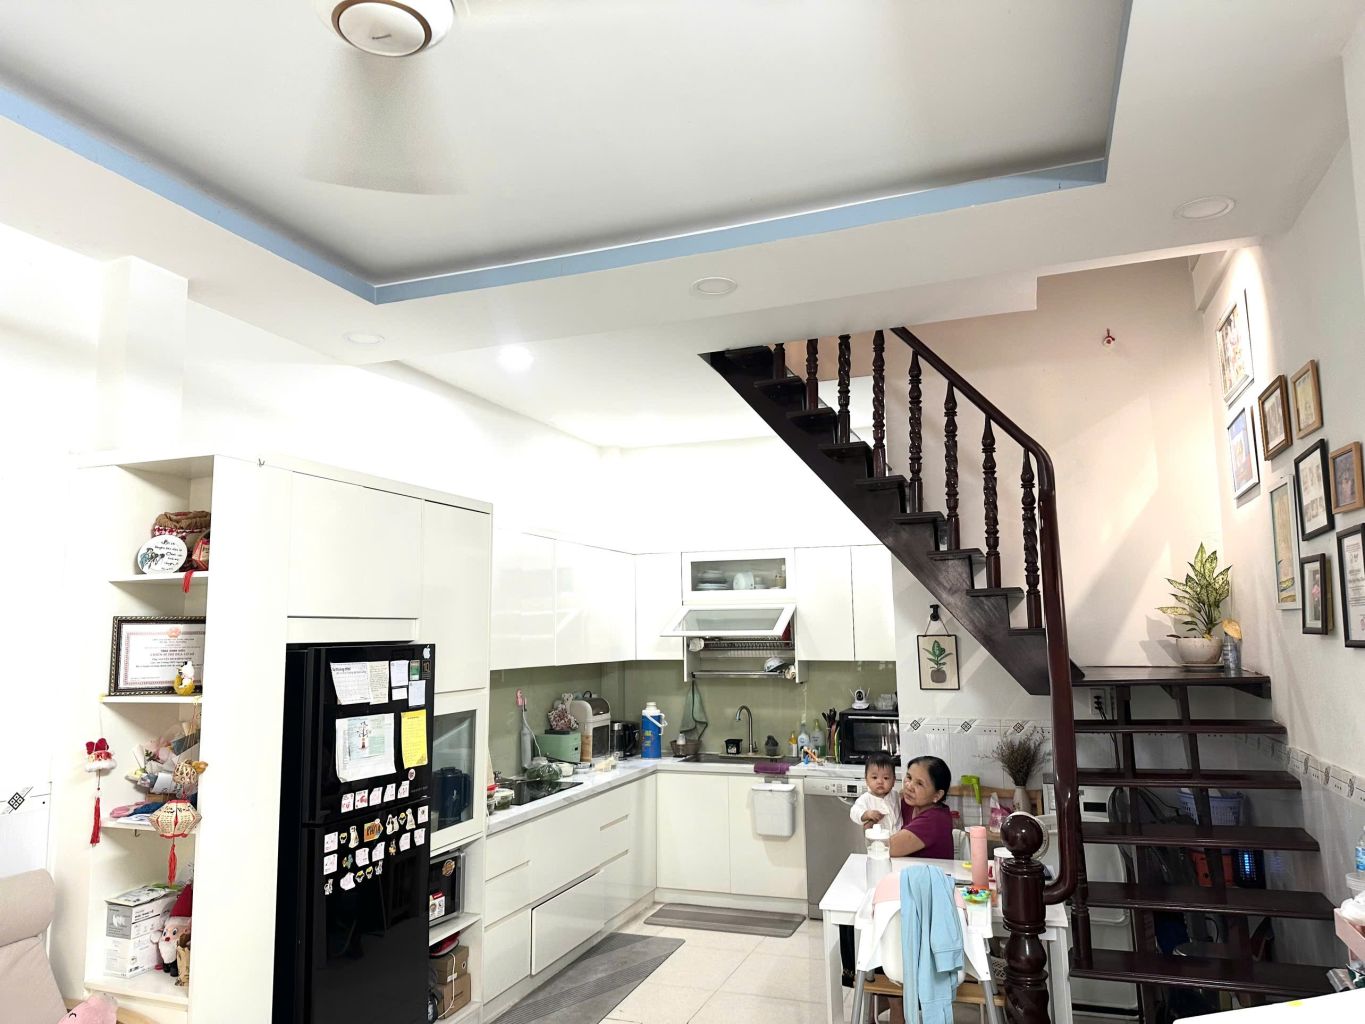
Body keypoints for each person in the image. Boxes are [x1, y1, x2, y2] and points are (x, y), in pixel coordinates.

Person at [889, 755, 954, 859]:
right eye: (909, 777)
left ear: (937, 795)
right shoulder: (909, 804)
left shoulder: (936, 819)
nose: (909, 786)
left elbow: (888, 848)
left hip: (931, 870)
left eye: (919, 784)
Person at [849, 751, 902, 833]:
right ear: (866, 779)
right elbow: (854, 812)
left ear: (893, 780)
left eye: (886, 778)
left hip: (898, 836)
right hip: (878, 838)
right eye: (874, 777)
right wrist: (867, 814)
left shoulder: (895, 795)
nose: (880, 781)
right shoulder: (865, 799)